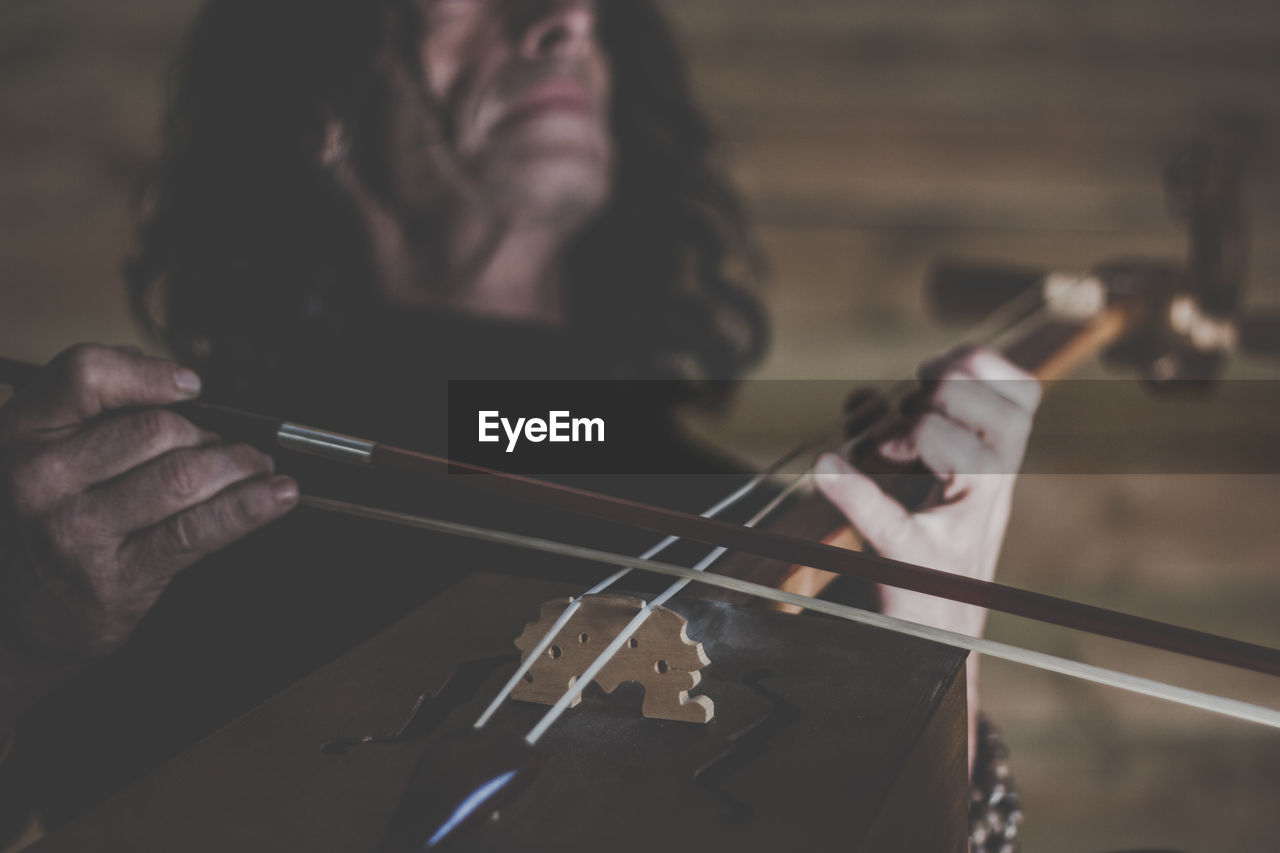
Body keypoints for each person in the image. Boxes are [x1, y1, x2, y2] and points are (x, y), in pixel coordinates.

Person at [0, 0, 1037, 848]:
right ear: (323, 96)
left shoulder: (783, 526)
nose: (567, 19)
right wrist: (21, 647)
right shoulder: (117, 522)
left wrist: (941, 659)